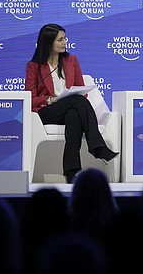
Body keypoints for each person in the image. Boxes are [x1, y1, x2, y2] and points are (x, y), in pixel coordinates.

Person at [26, 23, 118, 184]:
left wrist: (73, 96)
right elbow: (29, 98)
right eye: (60, 40)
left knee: (74, 116)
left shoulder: (71, 61)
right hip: (46, 112)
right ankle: (97, 147)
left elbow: (81, 89)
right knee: (77, 101)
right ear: (48, 42)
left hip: (70, 109)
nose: (65, 42)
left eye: (65, 38)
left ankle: (71, 172)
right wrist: (50, 99)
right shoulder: (34, 66)